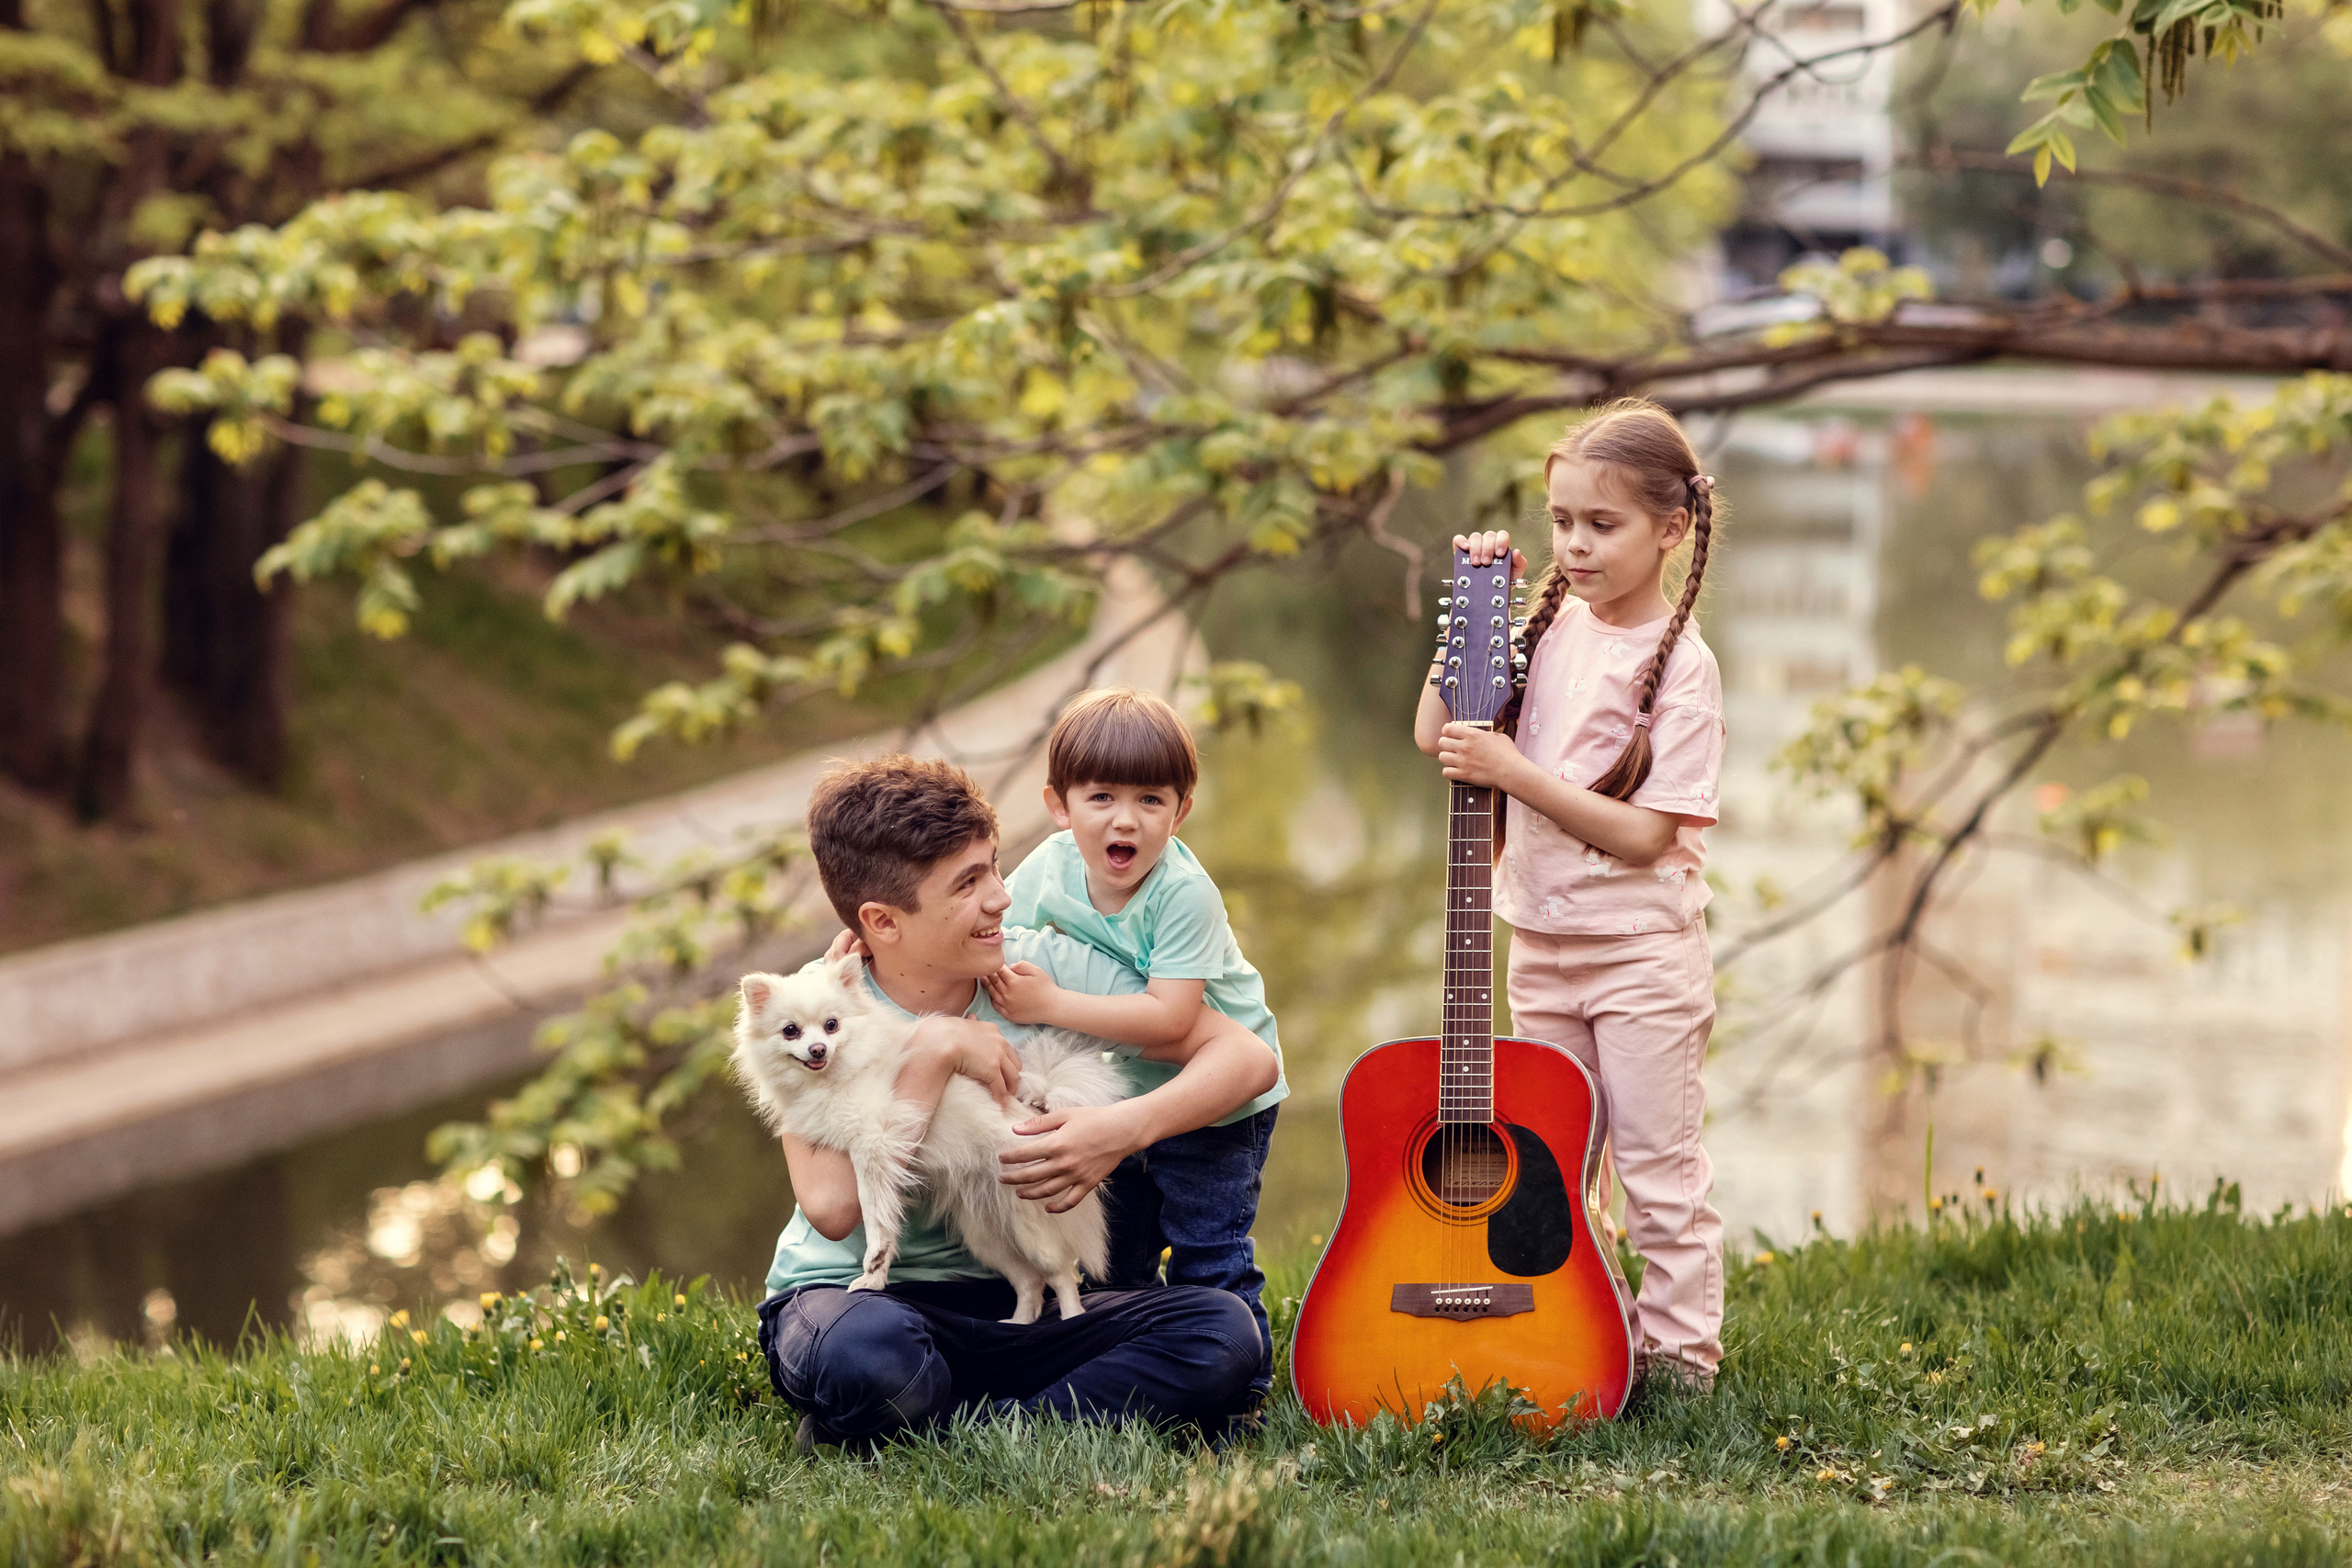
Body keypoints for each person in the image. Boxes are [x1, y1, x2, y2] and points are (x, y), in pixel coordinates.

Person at [754, 753, 1282, 1449]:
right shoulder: (814, 1013)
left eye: (994, 868)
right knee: (868, 1356)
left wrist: (1119, 1129)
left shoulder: (1037, 969)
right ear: (882, 921)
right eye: (968, 883)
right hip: (863, 1301)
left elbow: (1247, 1059)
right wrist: (936, 1049)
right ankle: (977, 1402)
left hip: (1019, 1303)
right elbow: (832, 1207)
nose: (1001, 898)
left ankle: (960, 1421)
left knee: (1223, 1335)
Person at [1412, 397, 1729, 1392]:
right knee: (1552, 1169)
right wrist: (1475, 617)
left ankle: (1681, 1359)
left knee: (1657, 1172)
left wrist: (1516, 773)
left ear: (1670, 529)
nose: (1576, 544)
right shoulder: (1544, 631)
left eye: (1602, 523)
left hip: (1642, 960)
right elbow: (1435, 734)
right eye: (1561, 522)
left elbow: (1645, 835)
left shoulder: (1682, 667)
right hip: (1542, 950)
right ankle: (1593, 1336)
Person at [984, 689, 1289, 1401]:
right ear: (1059, 805)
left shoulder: (1183, 893)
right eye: (1102, 797)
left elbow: (1172, 1019)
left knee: (1209, 1251)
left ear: (1180, 812)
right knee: (1117, 1257)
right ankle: (1142, 1371)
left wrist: (1051, 1002)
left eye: (1151, 800)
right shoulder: (1050, 864)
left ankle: (1241, 1397)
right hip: (1119, 1097)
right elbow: (989, 927)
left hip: (1213, 1107)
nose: (1126, 819)